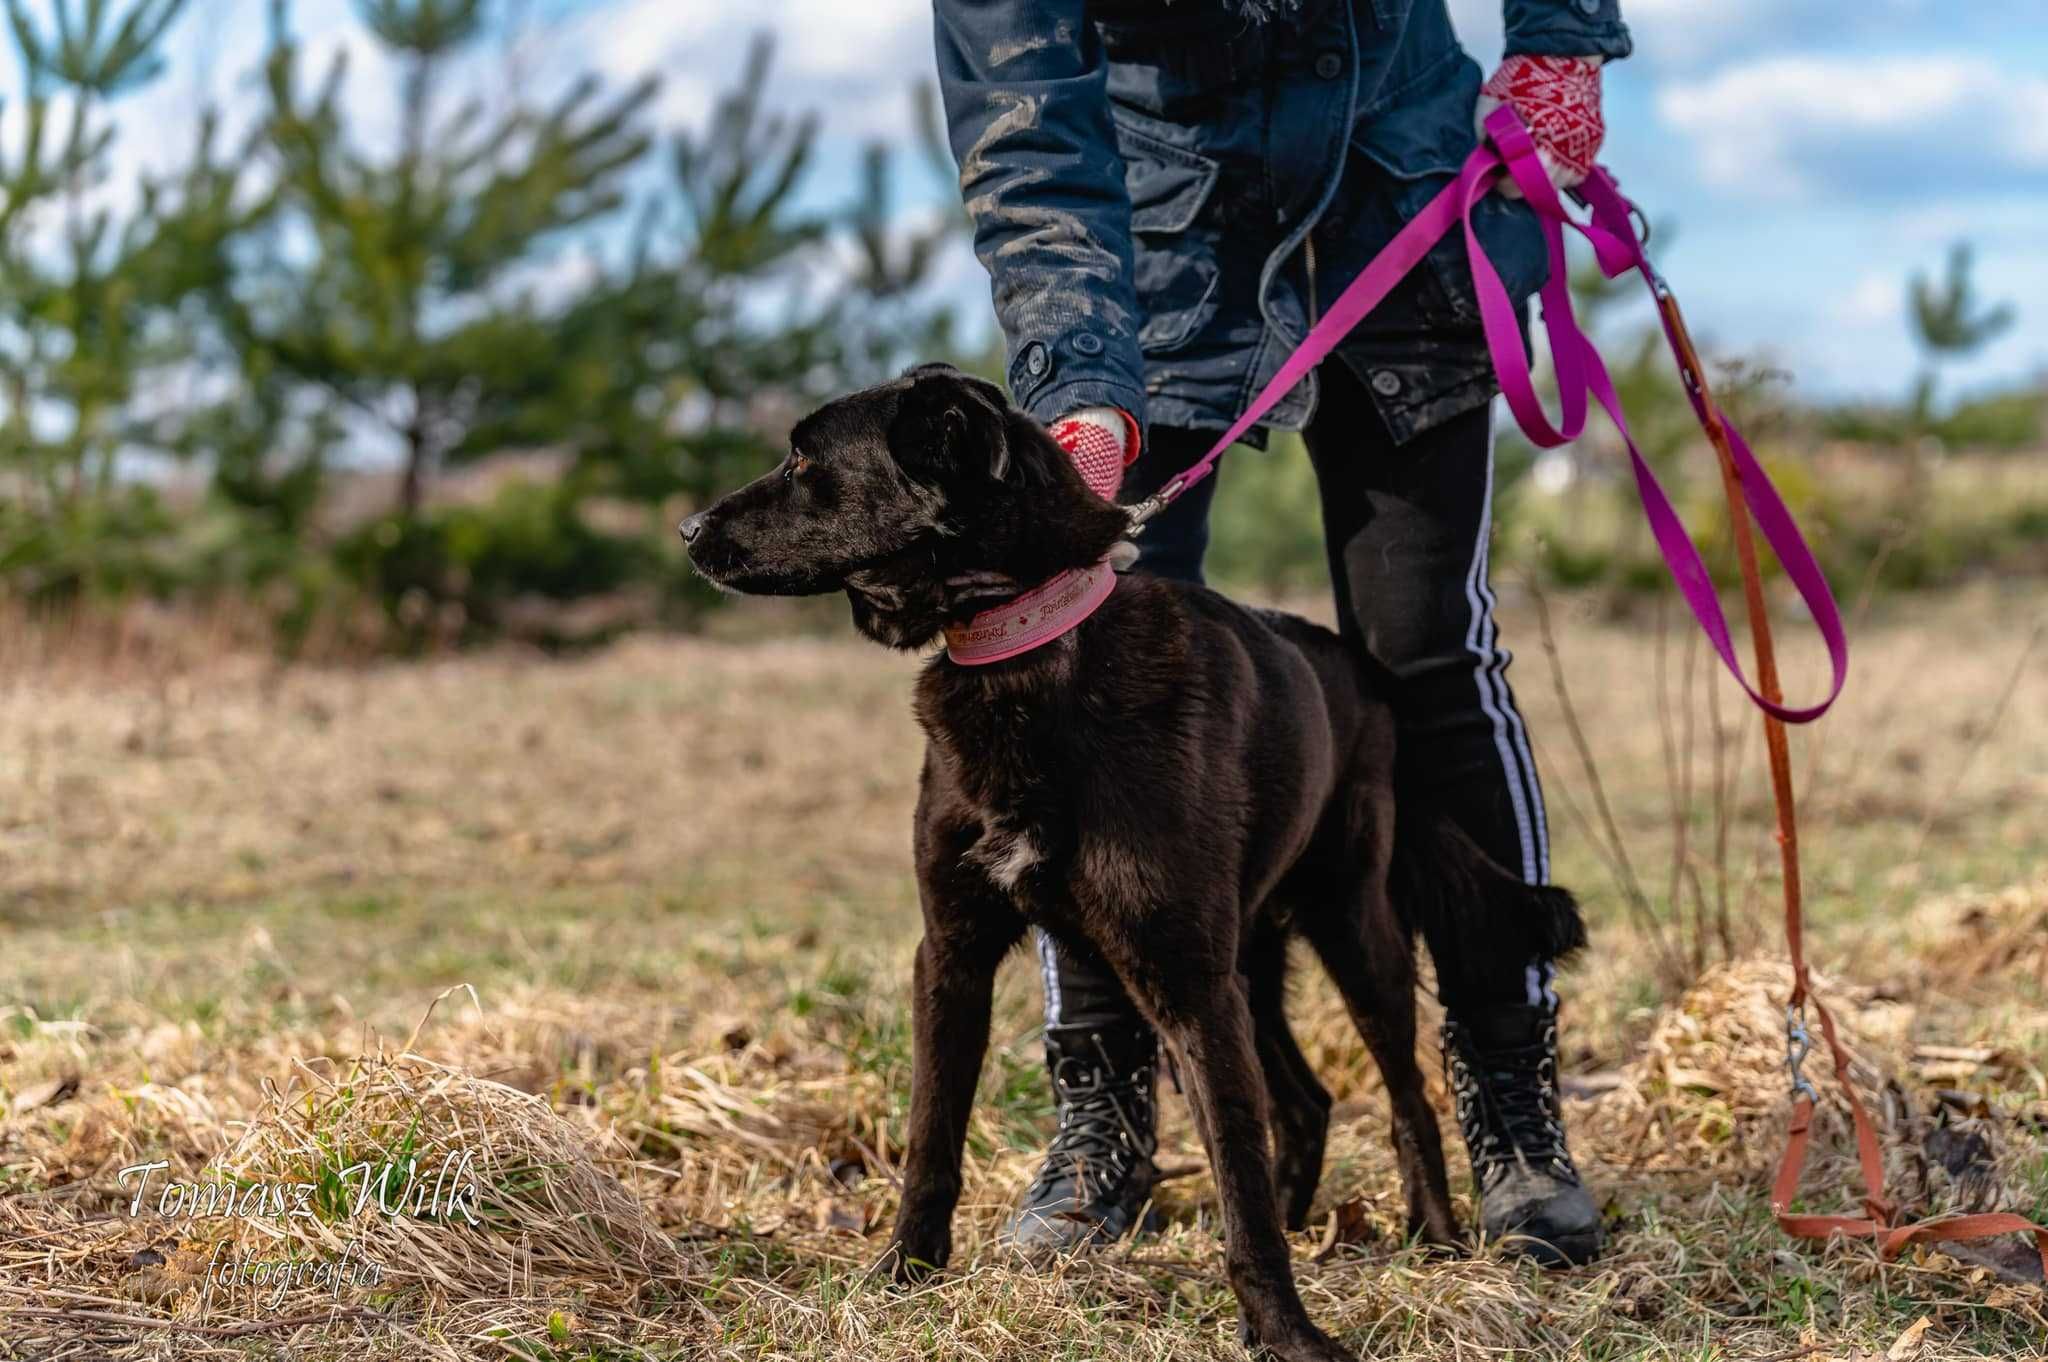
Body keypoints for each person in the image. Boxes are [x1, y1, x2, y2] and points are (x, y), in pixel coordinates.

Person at [931, 0, 1629, 1266]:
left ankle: (1513, 1115)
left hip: (1404, 189)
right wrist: (1079, 383)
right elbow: (1025, 128)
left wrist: (1561, 38)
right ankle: (1103, 1126)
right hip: (1144, 254)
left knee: (1430, 655)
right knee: (1086, 686)